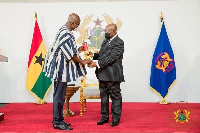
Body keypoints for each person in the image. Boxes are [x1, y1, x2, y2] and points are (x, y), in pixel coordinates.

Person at [43, 13, 91, 130]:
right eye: (77, 25)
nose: (78, 27)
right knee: (59, 96)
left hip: (60, 69)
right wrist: (82, 61)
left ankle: (59, 119)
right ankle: (57, 121)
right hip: (60, 70)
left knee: (58, 95)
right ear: (72, 23)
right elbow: (70, 55)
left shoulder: (64, 30)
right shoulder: (65, 33)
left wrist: (78, 49)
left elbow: (69, 49)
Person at [88, 23, 124, 127]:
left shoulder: (119, 42)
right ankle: (104, 117)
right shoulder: (105, 41)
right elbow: (103, 55)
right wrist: (93, 55)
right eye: (105, 31)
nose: (105, 33)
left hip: (113, 75)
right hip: (102, 74)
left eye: (108, 31)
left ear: (114, 32)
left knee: (115, 96)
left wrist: (97, 64)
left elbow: (112, 58)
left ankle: (116, 118)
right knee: (104, 97)